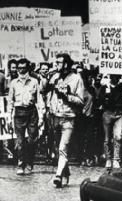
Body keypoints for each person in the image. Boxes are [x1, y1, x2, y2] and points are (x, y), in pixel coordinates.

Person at [43, 53, 84, 186]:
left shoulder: (77, 79)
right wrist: (46, 78)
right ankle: (65, 171)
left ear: (66, 64)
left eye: (59, 62)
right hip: (55, 117)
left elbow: (80, 100)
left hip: (68, 117)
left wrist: (67, 96)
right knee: (58, 148)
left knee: (63, 147)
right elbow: (43, 90)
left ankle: (58, 175)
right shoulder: (55, 77)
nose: (56, 65)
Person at [8, 58, 42, 175]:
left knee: (32, 139)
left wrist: (41, 116)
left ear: (28, 68)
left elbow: (39, 99)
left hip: (31, 112)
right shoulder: (13, 83)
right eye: (19, 68)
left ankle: (30, 161)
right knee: (20, 140)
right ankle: (21, 164)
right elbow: (10, 101)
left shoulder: (34, 82)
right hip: (19, 113)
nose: (21, 71)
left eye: (23, 68)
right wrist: (9, 117)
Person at [97, 73, 122, 169]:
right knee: (107, 138)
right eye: (113, 77)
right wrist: (107, 94)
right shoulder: (104, 88)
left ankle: (116, 159)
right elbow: (100, 100)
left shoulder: (121, 87)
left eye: (117, 77)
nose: (115, 79)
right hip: (108, 113)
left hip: (119, 113)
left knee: (118, 137)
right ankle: (108, 159)